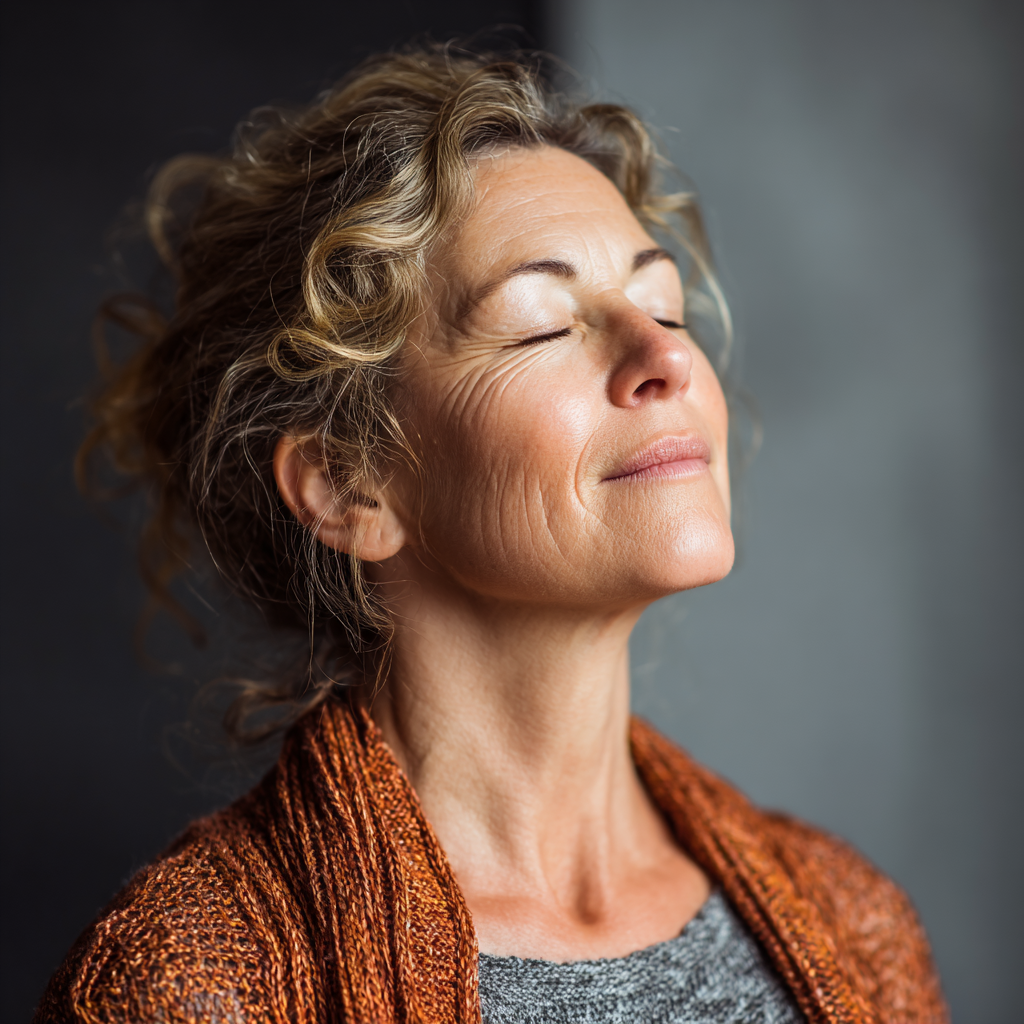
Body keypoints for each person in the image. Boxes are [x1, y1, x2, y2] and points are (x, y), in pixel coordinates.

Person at [36, 40, 947, 1024]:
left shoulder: (852, 918)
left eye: (662, 305)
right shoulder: (189, 986)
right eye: (543, 325)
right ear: (349, 486)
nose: (663, 359)